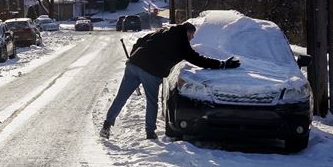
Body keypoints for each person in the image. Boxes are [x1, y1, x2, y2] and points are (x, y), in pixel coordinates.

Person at [100, 20, 239, 140]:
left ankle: (106, 125)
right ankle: (150, 132)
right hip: (151, 71)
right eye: (191, 35)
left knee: (121, 97)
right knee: (152, 101)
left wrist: (134, 57)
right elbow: (198, 60)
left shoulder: (163, 31)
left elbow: (140, 41)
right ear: (187, 32)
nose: (192, 38)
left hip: (134, 64)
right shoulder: (181, 42)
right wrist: (222, 64)